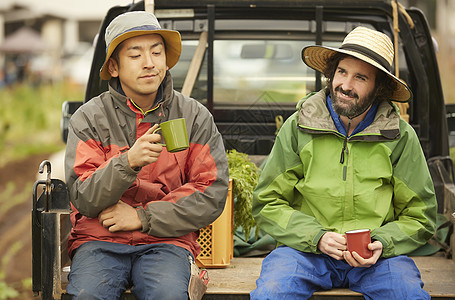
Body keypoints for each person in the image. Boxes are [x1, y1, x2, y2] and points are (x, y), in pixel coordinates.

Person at [250, 26, 437, 299]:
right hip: (305, 252)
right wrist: (316, 237)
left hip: (377, 260)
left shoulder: (399, 135)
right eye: (341, 72)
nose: (345, 86)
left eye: (360, 77)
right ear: (331, 73)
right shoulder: (298, 127)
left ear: (379, 87)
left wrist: (383, 242)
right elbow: (268, 201)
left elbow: (420, 214)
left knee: (407, 294)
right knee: (272, 293)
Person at [64, 11, 229, 299]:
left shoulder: (194, 116)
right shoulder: (89, 118)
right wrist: (127, 163)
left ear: (167, 60)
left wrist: (143, 217)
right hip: (100, 240)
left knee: (169, 294)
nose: (149, 63)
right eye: (135, 54)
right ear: (113, 67)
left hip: (167, 241)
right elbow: (83, 196)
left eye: (156, 52)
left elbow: (211, 192)